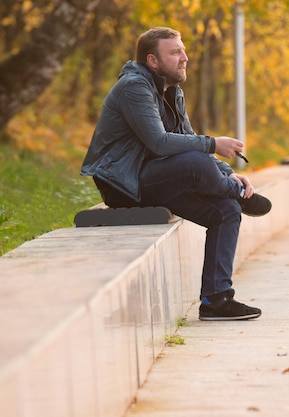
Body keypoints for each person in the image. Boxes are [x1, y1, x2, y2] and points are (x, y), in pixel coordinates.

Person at [81, 27, 271, 321]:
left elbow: (186, 137)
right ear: (152, 61)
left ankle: (216, 300)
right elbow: (159, 142)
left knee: (226, 210)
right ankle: (235, 193)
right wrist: (214, 145)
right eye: (175, 52)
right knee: (198, 162)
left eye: (182, 51)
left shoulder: (172, 92)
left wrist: (228, 172)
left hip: (158, 177)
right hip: (125, 184)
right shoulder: (134, 87)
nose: (185, 58)